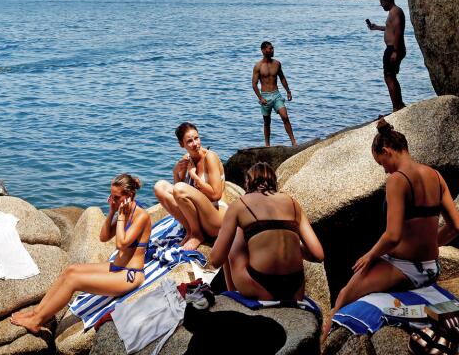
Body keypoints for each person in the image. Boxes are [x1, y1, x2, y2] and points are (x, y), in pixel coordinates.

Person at [324, 118, 459, 338]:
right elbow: (456, 226)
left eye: (381, 163)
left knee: (344, 296)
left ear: (387, 151)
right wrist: (431, 245)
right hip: (431, 269)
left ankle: (324, 340)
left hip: (406, 268)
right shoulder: (436, 175)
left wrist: (370, 255)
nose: (385, 171)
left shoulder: (398, 180)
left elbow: (393, 235)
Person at [11, 173, 150, 335]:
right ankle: (36, 313)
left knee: (74, 281)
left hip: (129, 275)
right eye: (111, 196)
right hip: (117, 268)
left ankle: (36, 321)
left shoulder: (141, 216)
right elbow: (104, 237)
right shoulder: (122, 210)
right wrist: (112, 211)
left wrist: (121, 217)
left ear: (130, 195)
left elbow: (121, 243)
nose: (113, 200)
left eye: (116, 198)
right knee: (71, 270)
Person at [211, 162, 324, 300]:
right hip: (295, 290)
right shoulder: (293, 203)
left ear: (248, 182)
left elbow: (216, 260)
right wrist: (294, 246)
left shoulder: (240, 204)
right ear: (274, 182)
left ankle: (233, 295)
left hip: (260, 287)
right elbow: (318, 255)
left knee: (236, 235)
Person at [154, 122, 227, 250]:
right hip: (199, 217)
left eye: (196, 138)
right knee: (160, 186)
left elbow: (216, 194)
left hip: (216, 218)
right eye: (189, 141)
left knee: (180, 189)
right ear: (182, 144)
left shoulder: (210, 157)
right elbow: (179, 196)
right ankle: (191, 230)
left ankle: (197, 235)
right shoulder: (187, 159)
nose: (195, 144)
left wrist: (194, 177)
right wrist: (176, 172)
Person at [366, 0, 407, 112]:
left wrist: (395, 51)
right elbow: (390, 28)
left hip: (393, 48)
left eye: (382, 2)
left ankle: (397, 106)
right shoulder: (393, 12)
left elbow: (398, 32)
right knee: (391, 76)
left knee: (389, 77)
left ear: (387, 0)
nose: (381, 5)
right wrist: (377, 27)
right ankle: (398, 104)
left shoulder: (395, 12)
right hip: (393, 48)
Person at [252, 42, 297, 147]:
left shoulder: (277, 63)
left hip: (276, 95)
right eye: (270, 49)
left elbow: (282, 77)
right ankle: (267, 145)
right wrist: (260, 98)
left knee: (285, 117)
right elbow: (254, 84)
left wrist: (288, 91)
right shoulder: (258, 66)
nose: (272, 50)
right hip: (265, 97)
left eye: (272, 48)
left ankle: (293, 142)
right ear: (263, 50)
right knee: (267, 122)